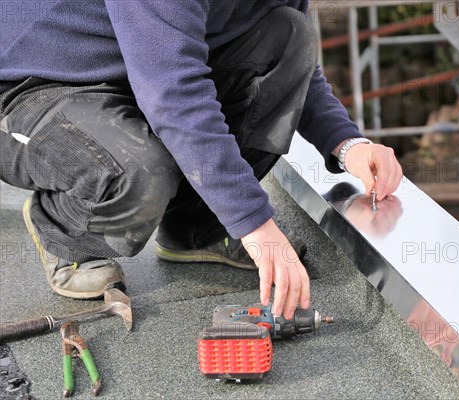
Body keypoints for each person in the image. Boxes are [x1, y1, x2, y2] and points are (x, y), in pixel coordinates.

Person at [0, 1, 403, 320]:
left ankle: (199, 227)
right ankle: (65, 231)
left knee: (290, 32)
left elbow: (292, 65)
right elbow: (176, 96)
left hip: (137, 73)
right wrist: (255, 224)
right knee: (139, 168)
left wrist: (347, 143)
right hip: (35, 88)